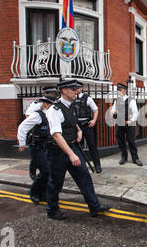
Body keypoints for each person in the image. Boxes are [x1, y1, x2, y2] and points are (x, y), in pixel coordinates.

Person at [45, 79, 111, 220]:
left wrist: (79, 132)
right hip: (58, 152)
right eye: (73, 89)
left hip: (72, 147)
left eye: (76, 89)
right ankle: (52, 210)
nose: (76, 91)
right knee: (56, 182)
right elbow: (56, 135)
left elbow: (73, 124)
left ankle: (94, 207)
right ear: (64, 91)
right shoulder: (54, 110)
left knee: (84, 177)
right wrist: (71, 154)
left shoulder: (70, 106)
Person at [17, 94, 56, 204]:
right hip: (37, 146)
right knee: (45, 171)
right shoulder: (38, 115)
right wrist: (22, 143)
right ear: (47, 104)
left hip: (47, 146)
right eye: (53, 104)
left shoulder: (52, 114)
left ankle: (43, 194)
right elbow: (22, 127)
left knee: (48, 172)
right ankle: (34, 192)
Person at [25, 86, 58, 179]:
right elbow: (28, 115)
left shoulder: (55, 102)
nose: (53, 95)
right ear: (45, 94)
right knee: (37, 155)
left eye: (54, 94)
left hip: (49, 132)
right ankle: (33, 169)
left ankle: (46, 171)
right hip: (38, 132)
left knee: (47, 155)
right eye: (51, 93)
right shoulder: (37, 103)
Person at [110, 83, 143, 166]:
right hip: (119, 123)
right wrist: (114, 112)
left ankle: (135, 158)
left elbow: (135, 112)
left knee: (131, 141)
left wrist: (131, 121)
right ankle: (124, 157)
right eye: (118, 90)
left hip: (128, 124)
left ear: (125, 90)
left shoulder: (131, 100)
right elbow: (112, 111)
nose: (118, 92)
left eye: (120, 90)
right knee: (121, 142)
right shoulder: (117, 100)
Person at [73, 82, 102, 173]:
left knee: (92, 145)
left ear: (81, 88)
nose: (76, 89)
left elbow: (96, 110)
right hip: (77, 126)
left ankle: (97, 165)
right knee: (78, 146)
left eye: (78, 88)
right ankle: (81, 166)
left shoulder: (87, 98)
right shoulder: (72, 98)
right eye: (75, 88)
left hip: (87, 125)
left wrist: (94, 120)